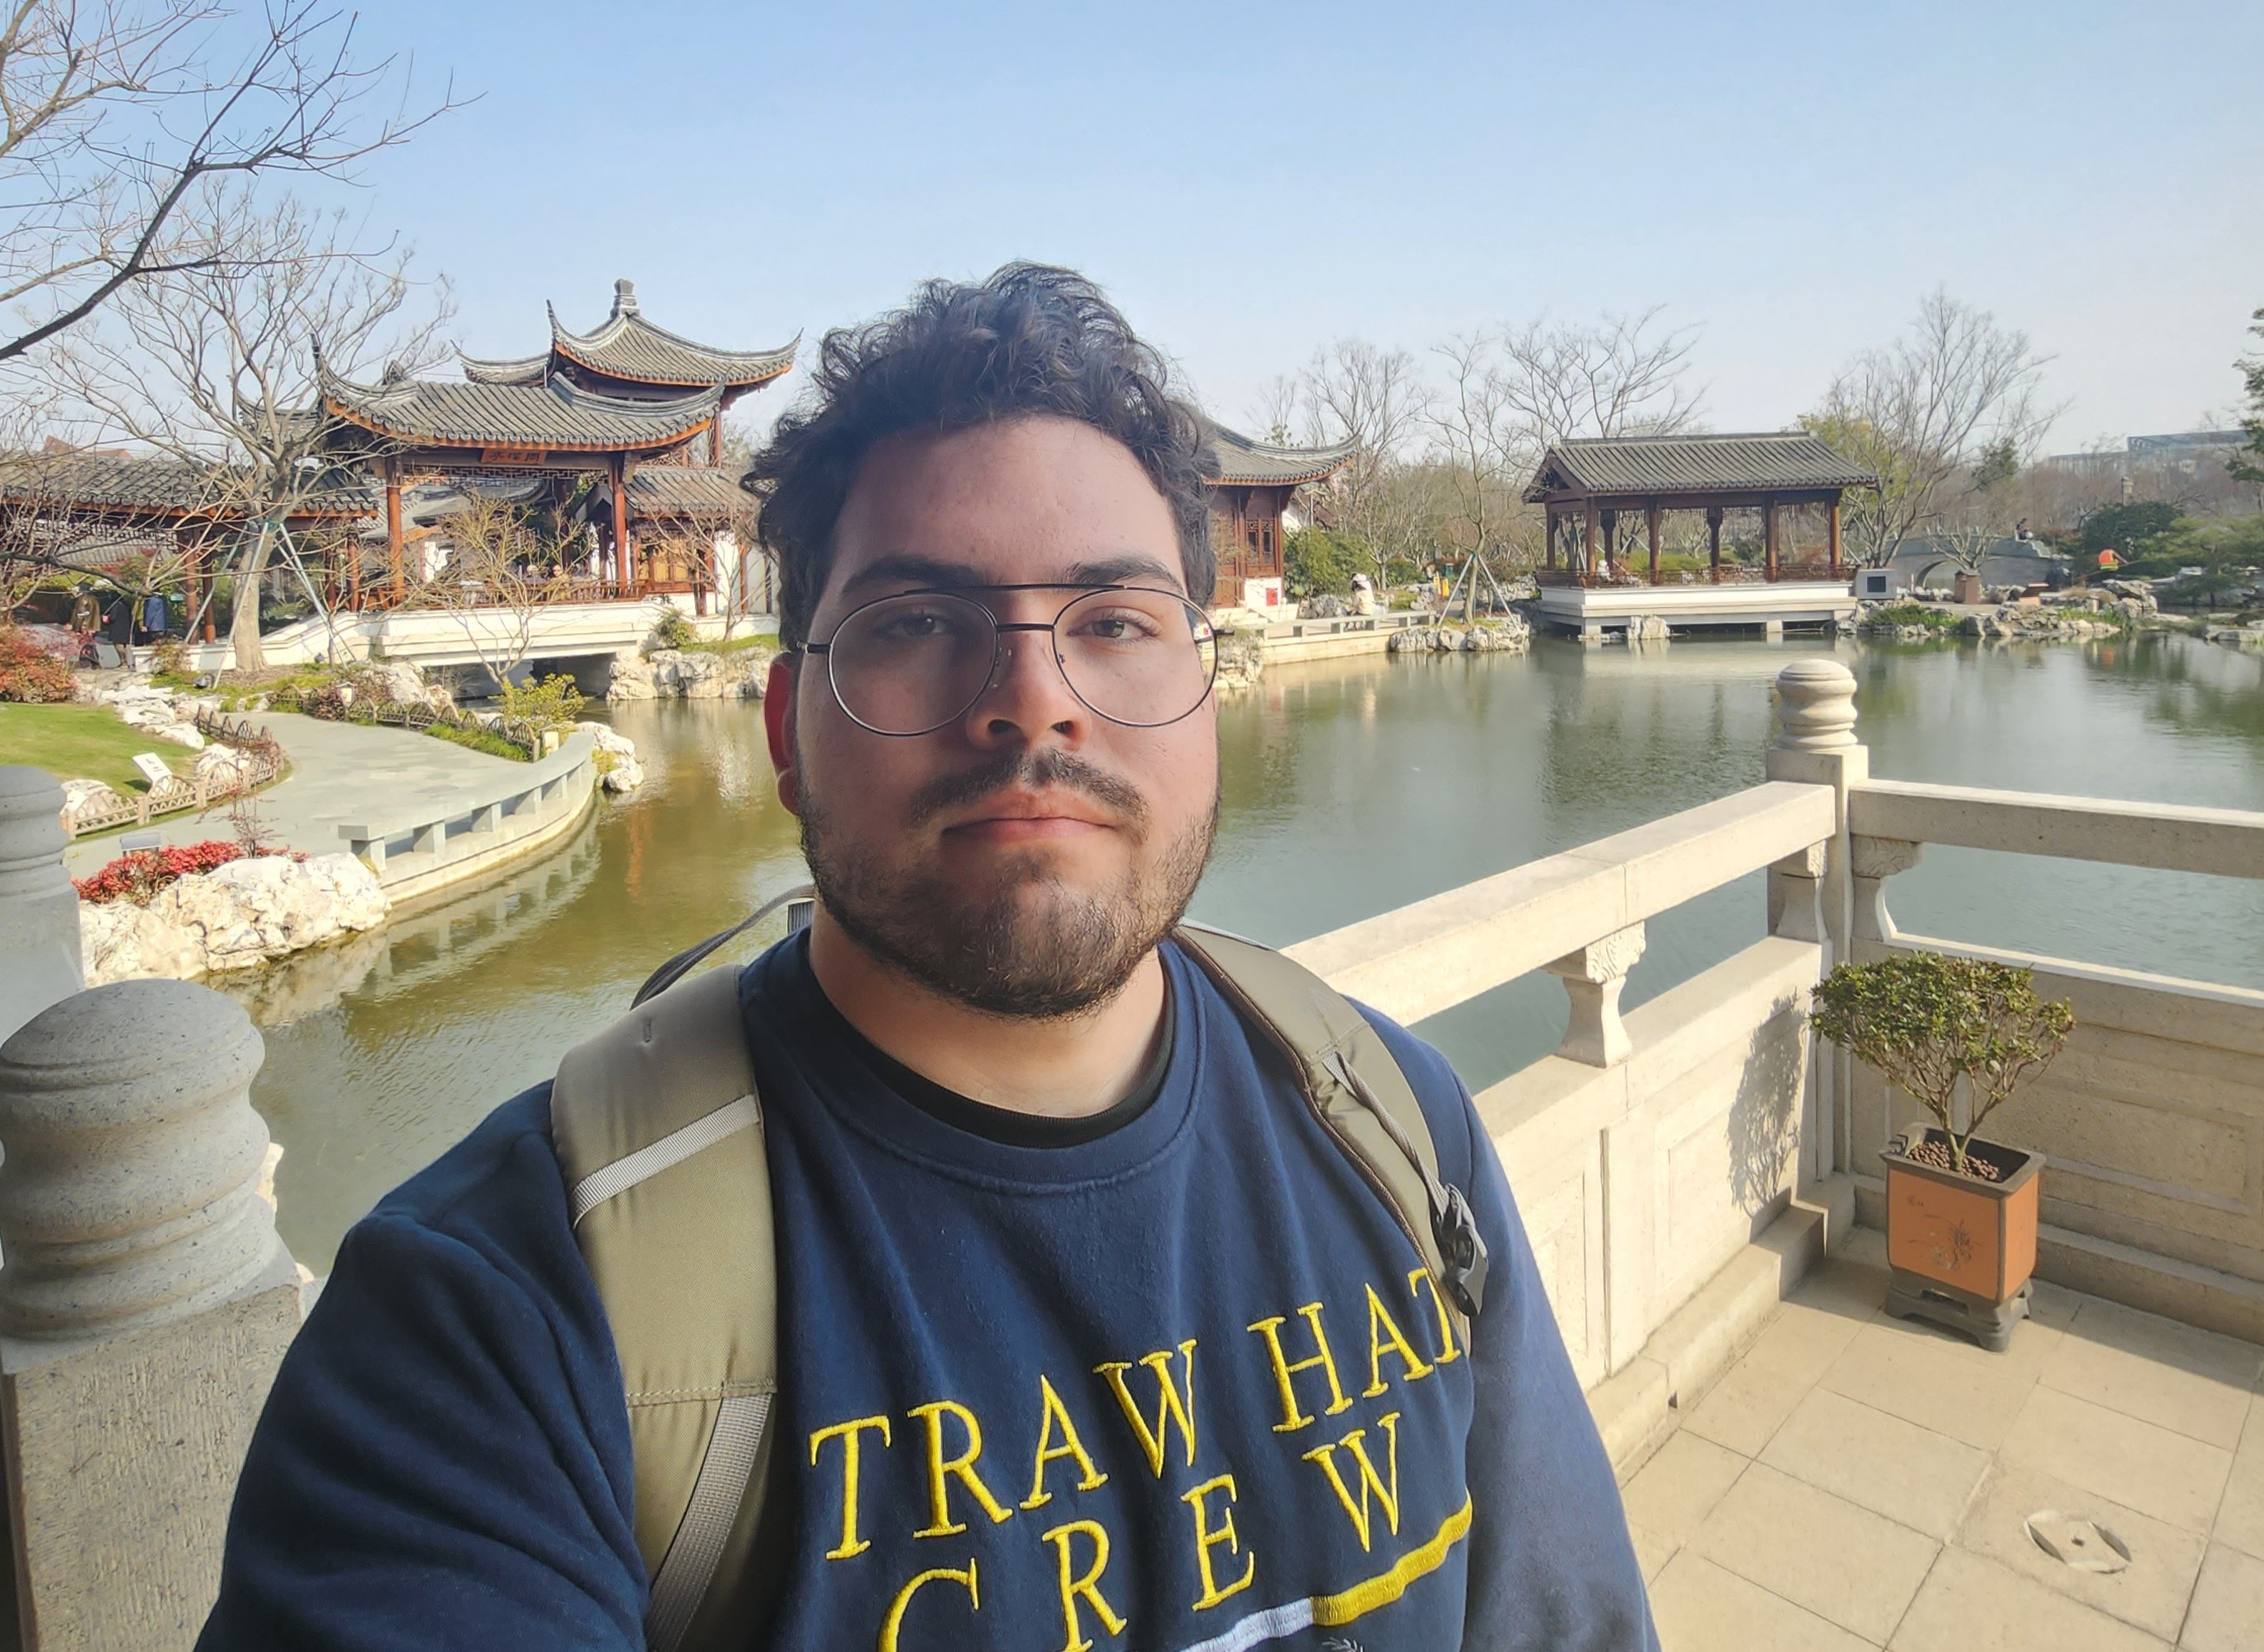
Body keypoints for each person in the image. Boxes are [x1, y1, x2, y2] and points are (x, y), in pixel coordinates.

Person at [200, 265, 1655, 1650]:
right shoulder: (501, 1321)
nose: (1033, 700)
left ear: (1211, 699)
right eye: (914, 623)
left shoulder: (1395, 1123)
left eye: (1115, 621)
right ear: (785, 730)